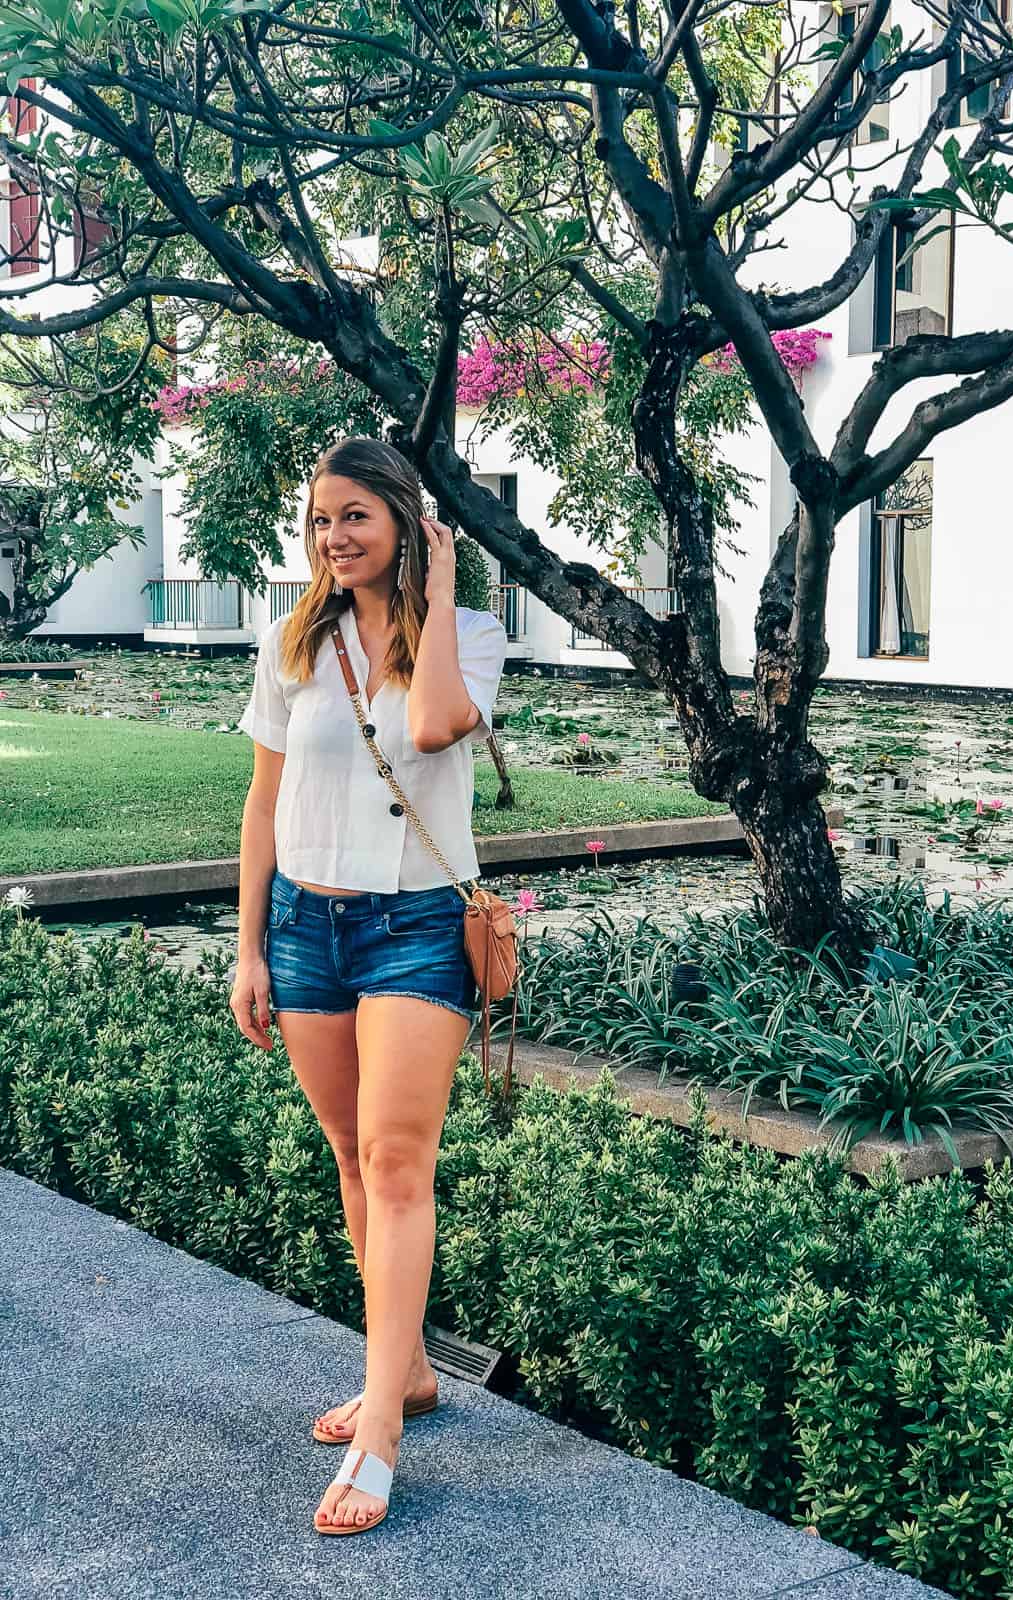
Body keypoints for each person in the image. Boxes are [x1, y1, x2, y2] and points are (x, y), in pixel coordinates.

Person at [229, 435, 508, 1536]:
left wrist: (438, 590)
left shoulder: (470, 638)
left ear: (402, 518)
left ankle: (383, 1425)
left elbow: (435, 724)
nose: (336, 537)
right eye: (320, 520)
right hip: (305, 925)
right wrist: (248, 946)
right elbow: (261, 802)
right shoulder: (291, 644)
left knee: (398, 1160)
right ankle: (413, 1371)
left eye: (357, 515)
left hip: (417, 928)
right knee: (351, 1156)